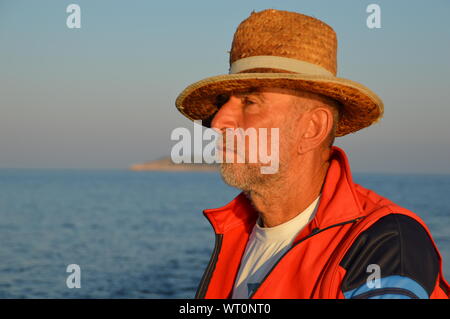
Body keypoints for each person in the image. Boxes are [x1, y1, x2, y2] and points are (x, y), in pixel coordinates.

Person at [175, 9, 449, 299]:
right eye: (222, 102)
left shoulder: (385, 241)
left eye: (250, 101)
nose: (218, 121)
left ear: (312, 128)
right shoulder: (235, 230)